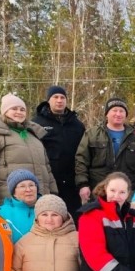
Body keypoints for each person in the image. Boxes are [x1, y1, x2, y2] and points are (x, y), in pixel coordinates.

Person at [0, 94, 57, 203]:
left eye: (22, 109)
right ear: (5, 111)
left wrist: (53, 193)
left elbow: (46, 168)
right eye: (14, 108)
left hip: (40, 200)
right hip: (9, 200)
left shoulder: (33, 135)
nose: (19, 112)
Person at [75, 97, 135, 203]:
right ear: (107, 114)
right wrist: (83, 184)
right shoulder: (92, 134)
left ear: (125, 115)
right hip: (97, 192)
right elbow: (81, 161)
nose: (118, 114)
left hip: (126, 195)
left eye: (121, 111)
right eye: (114, 110)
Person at [32, 85, 86, 215]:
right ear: (48, 100)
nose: (59, 100)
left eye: (62, 97)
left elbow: (84, 152)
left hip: (72, 182)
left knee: (73, 217)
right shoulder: (37, 123)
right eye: (55, 97)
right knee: (52, 215)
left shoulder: (77, 125)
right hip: (50, 180)